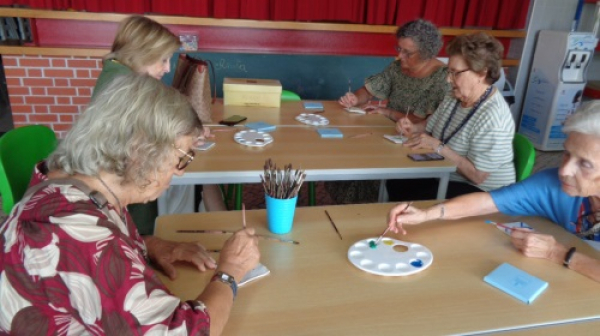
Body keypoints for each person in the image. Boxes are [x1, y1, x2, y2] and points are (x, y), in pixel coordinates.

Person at [0, 74, 260, 334]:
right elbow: (188, 331)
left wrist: (149, 245)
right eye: (181, 157)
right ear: (139, 151)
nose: (180, 171)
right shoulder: (81, 235)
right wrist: (231, 270)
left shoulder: (70, 179)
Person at [387, 100, 600, 283]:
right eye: (566, 154)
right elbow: (488, 201)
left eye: (585, 164)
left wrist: (556, 253)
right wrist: (427, 214)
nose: (564, 170)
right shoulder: (552, 184)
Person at [93, 15, 227, 236]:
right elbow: (146, 140)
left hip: (112, 182)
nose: (167, 68)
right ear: (142, 54)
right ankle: (180, 233)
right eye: (162, 60)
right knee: (187, 171)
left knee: (194, 173)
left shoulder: (117, 72)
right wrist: (186, 136)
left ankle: (207, 226)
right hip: (122, 194)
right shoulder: (129, 86)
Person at [329, 19, 449, 204]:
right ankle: (351, 211)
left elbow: (422, 123)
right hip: (388, 132)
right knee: (346, 153)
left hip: (413, 142)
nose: (400, 56)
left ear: (426, 53)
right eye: (399, 49)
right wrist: (355, 99)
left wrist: (388, 112)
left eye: (407, 52)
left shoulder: (441, 77)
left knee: (363, 165)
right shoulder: (398, 68)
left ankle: (366, 211)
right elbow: (368, 91)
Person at [388, 32, 515, 201]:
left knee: (418, 199)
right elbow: (430, 125)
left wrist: (438, 147)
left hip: (482, 193)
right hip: (443, 172)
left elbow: (478, 176)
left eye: (456, 73)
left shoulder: (493, 118)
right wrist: (413, 127)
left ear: (481, 73)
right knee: (396, 182)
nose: (449, 80)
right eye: (449, 72)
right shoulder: (454, 96)